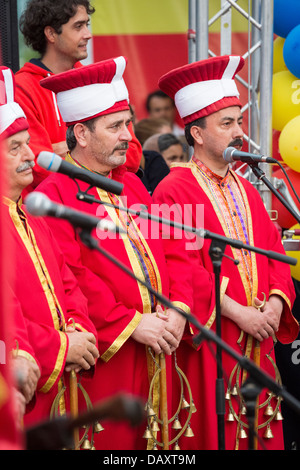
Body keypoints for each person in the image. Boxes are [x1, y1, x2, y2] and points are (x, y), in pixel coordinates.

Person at [35, 56, 193, 450]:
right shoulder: (51, 196)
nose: (129, 136)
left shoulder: (136, 188)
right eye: (116, 126)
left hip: (161, 349)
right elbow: (69, 276)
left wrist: (178, 306)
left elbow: (176, 252)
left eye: (128, 124)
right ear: (82, 134)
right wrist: (131, 324)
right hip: (110, 360)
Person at [153, 55, 299, 450]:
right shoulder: (172, 190)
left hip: (259, 338)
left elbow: (272, 252)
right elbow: (177, 270)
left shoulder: (247, 186)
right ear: (197, 134)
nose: (240, 133)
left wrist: (272, 304)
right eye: (227, 123)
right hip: (216, 343)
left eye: (239, 121)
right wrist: (240, 313)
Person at [0, 65, 99, 433]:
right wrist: (60, 347)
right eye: (15, 147)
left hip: (61, 381)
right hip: (26, 384)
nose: (31, 154)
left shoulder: (32, 211)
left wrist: (80, 330)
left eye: (28, 142)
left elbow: (67, 282)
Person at [15, 0, 143, 195]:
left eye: (87, 25)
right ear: (50, 34)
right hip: (51, 210)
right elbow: (35, 165)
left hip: (105, 203)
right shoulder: (22, 88)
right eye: (78, 26)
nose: (88, 34)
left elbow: (132, 156)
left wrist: (65, 151)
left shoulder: (100, 79)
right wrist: (96, 150)